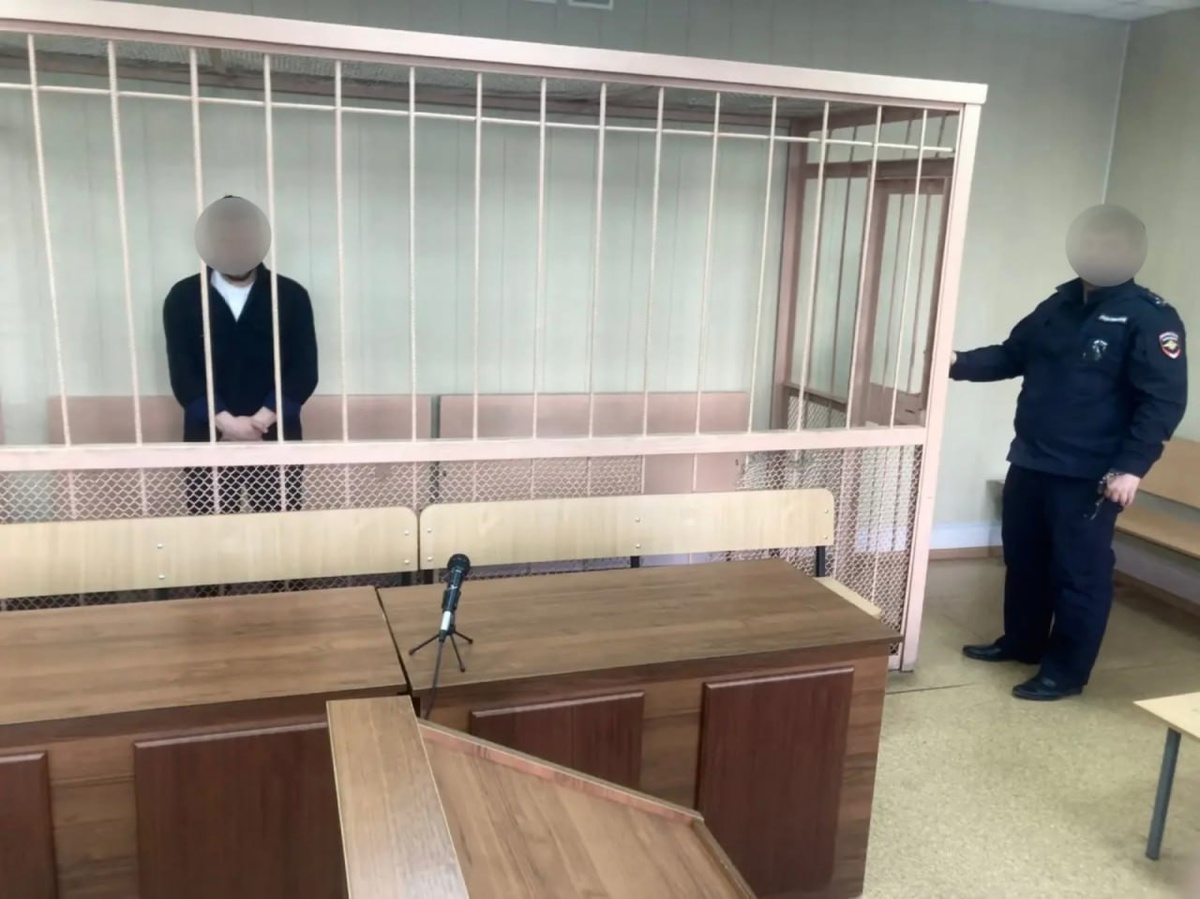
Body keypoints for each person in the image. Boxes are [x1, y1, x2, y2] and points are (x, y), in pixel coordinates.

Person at [950, 204, 1187, 701]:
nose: (1098, 252)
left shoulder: (1150, 317)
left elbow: (1163, 401)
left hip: (1091, 472)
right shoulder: (1058, 304)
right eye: (1092, 243)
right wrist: (954, 363)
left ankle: (1065, 672)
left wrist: (1131, 468)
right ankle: (1023, 643)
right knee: (1025, 559)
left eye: (1110, 245)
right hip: (1032, 458)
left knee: (1078, 574)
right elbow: (1012, 354)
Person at [163, 196, 318, 515]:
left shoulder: (291, 296)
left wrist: (260, 421)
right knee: (211, 531)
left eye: (243, 234)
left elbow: (304, 371)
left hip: (277, 436)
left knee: (281, 530)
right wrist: (227, 423)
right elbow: (183, 375)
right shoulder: (183, 297)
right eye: (225, 234)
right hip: (207, 437)